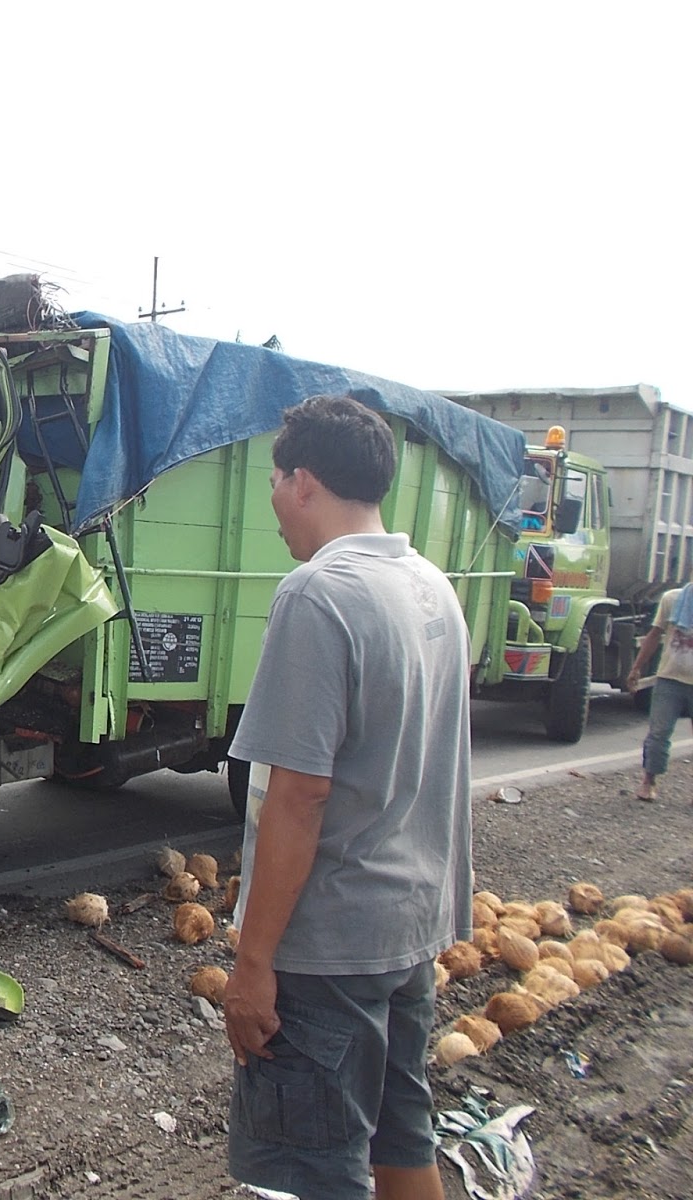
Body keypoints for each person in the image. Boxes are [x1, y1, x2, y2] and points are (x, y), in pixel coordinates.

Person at [223, 395, 472, 1200]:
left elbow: (300, 798)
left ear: (302, 482)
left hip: (327, 948)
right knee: (402, 1136)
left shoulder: (317, 593)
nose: (273, 505)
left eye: (273, 483)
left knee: (313, 1172)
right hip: (409, 930)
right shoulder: (432, 586)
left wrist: (254, 965)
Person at [625, 582, 693, 801]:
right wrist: (636, 668)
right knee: (658, 733)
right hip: (669, 678)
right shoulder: (672, 600)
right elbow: (654, 635)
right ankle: (648, 782)